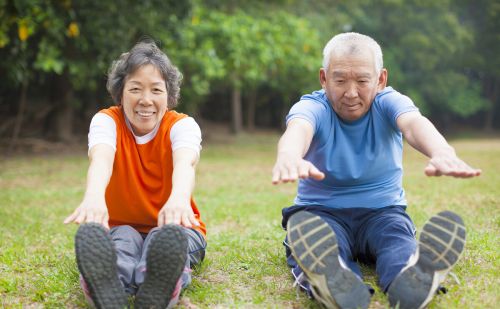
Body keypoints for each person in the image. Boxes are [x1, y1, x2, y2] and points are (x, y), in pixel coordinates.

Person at [272, 32, 480, 309]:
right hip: (321, 213)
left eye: (361, 80)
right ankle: (333, 280)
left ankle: (412, 274)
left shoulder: (388, 102)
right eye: (340, 80)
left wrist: (441, 151)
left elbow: (413, 124)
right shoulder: (313, 106)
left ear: (380, 80)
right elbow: (299, 128)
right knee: (320, 243)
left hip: (383, 212)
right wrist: (288, 154)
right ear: (324, 78)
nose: (351, 92)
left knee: (397, 242)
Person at [64, 40, 207, 309]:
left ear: (169, 95)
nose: (146, 100)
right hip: (120, 226)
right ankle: (105, 288)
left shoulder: (183, 126)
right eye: (135, 89)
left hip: (176, 228)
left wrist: (178, 199)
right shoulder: (106, 121)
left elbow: (185, 164)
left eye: (156, 90)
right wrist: (94, 197)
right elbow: (101, 159)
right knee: (123, 240)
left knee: (162, 240)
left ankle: (162, 283)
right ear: (120, 93)